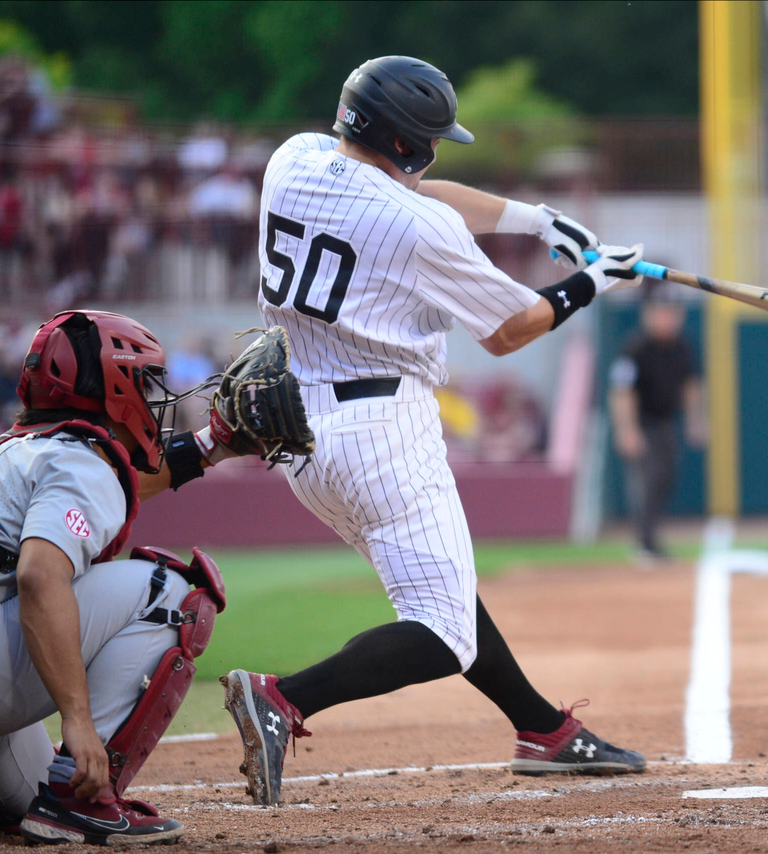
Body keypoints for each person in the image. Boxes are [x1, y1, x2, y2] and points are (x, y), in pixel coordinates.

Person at [220, 55, 647, 806]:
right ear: (407, 145)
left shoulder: (294, 160)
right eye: (430, 139)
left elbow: (412, 196)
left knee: (442, 590)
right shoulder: (417, 227)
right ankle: (283, 698)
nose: (436, 151)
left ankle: (541, 729)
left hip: (298, 434)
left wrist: (536, 220)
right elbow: (511, 328)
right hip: (382, 434)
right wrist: (591, 282)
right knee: (443, 633)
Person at [0, 310, 237, 844]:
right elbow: (38, 578)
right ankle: (82, 805)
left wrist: (212, 443)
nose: (152, 397)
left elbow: (122, 483)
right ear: (114, 387)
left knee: (24, 794)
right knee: (168, 592)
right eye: (143, 382)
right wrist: (77, 721)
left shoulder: (20, 448)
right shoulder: (82, 460)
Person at [608, 281, 705, 560]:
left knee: (667, 477)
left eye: (671, 312)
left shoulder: (683, 346)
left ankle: (650, 540)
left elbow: (691, 386)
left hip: (665, 424)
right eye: (661, 312)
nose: (667, 318)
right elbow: (622, 392)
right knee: (648, 481)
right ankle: (644, 543)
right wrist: (627, 430)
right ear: (648, 315)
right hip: (643, 424)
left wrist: (695, 421)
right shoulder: (635, 348)